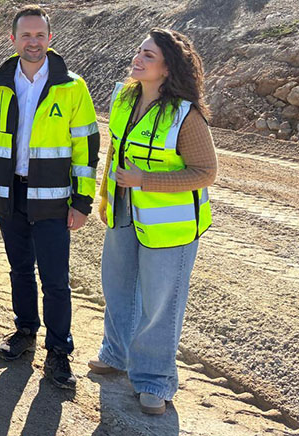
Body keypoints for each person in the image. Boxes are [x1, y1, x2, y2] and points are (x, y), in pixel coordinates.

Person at [0, 5, 99, 390]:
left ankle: (59, 351)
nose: (33, 42)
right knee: (19, 269)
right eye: (25, 35)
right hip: (9, 195)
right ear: (13, 39)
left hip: (54, 198)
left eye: (40, 35)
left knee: (56, 279)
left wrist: (82, 201)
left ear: (50, 38)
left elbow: (86, 148)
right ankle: (25, 331)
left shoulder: (72, 86)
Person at [88, 28, 216, 415]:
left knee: (161, 304)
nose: (138, 59)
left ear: (166, 68)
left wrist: (147, 180)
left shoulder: (185, 114)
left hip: (170, 226)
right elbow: (116, 148)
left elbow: (205, 172)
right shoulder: (125, 96)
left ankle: (154, 382)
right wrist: (106, 195)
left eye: (148, 56)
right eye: (139, 52)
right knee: (118, 288)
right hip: (124, 212)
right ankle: (115, 354)